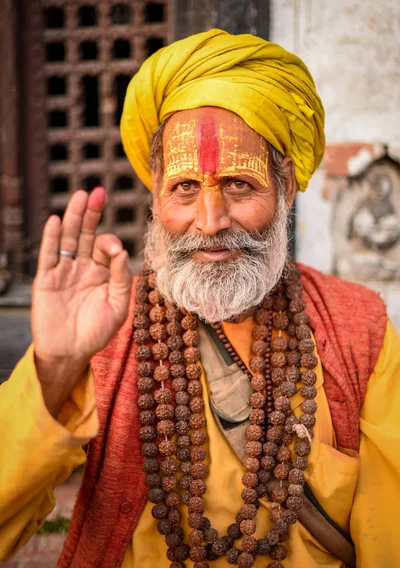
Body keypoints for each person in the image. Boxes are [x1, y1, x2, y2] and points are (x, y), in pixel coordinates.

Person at [0, 29, 399, 568]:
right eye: (186, 188)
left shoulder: (360, 331)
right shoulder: (106, 333)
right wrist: (55, 365)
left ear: (285, 186)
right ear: (156, 192)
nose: (210, 223)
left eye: (239, 184)